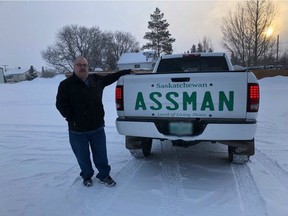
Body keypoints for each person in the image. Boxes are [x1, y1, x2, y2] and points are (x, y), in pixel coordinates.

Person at [56, 56, 132, 187]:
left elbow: (111, 77)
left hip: (97, 127)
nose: (82, 67)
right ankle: (86, 176)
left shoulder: (96, 80)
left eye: (84, 65)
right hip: (77, 130)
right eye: (79, 65)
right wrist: (72, 118)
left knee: (101, 154)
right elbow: (60, 104)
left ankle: (104, 175)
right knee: (82, 157)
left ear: (88, 67)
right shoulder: (66, 85)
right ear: (74, 67)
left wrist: (125, 72)